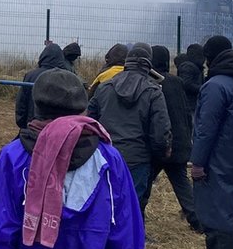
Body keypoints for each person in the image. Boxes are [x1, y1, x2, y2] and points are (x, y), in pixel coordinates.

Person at [0, 69, 144, 249]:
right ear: (82, 108)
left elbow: (2, 238)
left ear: (37, 106)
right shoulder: (110, 160)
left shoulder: (14, 157)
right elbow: (127, 243)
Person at [190, 35, 233, 249]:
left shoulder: (215, 86)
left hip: (216, 159)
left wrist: (198, 162)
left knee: (215, 211)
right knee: (227, 209)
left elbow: (206, 128)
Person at [87, 44, 172, 216]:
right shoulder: (153, 91)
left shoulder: (105, 87)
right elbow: (160, 132)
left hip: (106, 157)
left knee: (105, 206)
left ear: (127, 62)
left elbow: (90, 122)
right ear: (149, 64)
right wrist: (161, 155)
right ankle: (130, 242)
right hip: (138, 160)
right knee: (131, 210)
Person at [147, 45, 200, 232]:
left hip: (160, 144)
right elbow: (186, 112)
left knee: (144, 185)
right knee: (182, 184)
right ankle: (197, 221)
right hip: (180, 143)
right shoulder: (176, 82)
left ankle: (136, 218)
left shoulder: (150, 82)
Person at [15, 43, 67, 129]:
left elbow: (21, 104)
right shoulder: (66, 78)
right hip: (57, 130)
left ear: (43, 56)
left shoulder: (30, 75)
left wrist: (23, 125)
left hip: (32, 127)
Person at [177, 43, 206, 113]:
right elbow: (186, 84)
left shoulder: (195, 67)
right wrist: (203, 88)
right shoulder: (188, 66)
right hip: (189, 104)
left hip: (194, 103)